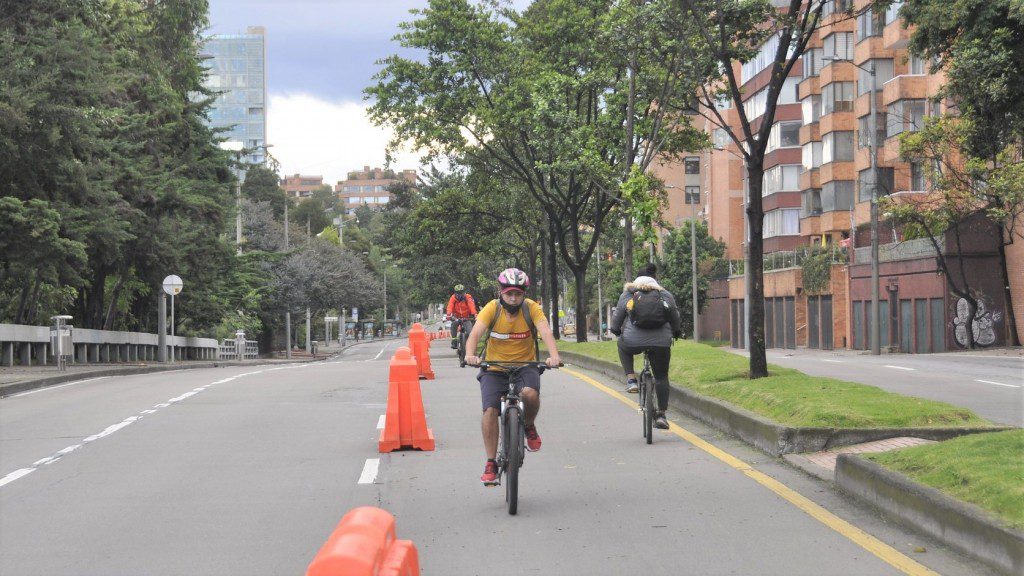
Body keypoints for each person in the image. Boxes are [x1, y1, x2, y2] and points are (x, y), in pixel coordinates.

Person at [465, 268, 561, 485]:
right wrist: (470, 355)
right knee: (489, 410)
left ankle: (528, 426)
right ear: (501, 292)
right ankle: (491, 462)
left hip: (525, 366)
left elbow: (545, 331)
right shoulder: (492, 308)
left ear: (524, 293)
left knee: (530, 395)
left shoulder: (532, 309)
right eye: (509, 293)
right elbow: (475, 333)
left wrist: (554, 356)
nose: (513, 298)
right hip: (494, 367)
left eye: (518, 293)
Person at [609, 271, 682, 430]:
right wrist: (676, 333)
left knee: (622, 345)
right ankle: (661, 414)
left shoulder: (628, 294)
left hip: (633, 341)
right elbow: (674, 316)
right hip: (661, 342)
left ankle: (631, 380)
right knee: (661, 376)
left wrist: (616, 331)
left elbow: (617, 318)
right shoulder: (665, 294)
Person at [445, 284, 478, 349]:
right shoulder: (453, 298)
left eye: (461, 292)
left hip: (467, 317)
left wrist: (475, 314)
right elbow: (450, 306)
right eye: (458, 293)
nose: (460, 294)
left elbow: (471, 306)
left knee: (470, 332)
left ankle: (470, 345)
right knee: (453, 325)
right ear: (455, 293)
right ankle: (454, 341)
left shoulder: (468, 297)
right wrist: (449, 315)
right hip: (457, 317)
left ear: (464, 292)